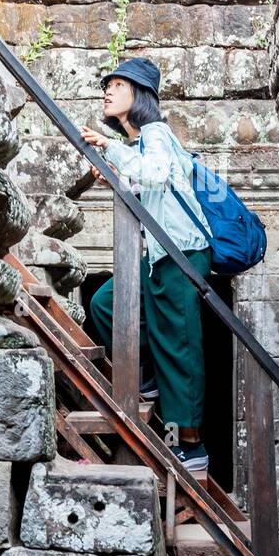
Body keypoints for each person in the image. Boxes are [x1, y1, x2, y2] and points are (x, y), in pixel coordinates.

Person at [80, 57, 211, 472]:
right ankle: (146, 380)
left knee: (179, 345)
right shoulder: (140, 144)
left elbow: (155, 175)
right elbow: (149, 190)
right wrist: (117, 178)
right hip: (158, 256)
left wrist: (109, 146)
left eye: (117, 84)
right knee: (105, 304)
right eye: (108, 84)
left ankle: (190, 446)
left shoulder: (156, 133)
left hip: (182, 254)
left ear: (139, 96)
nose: (108, 90)